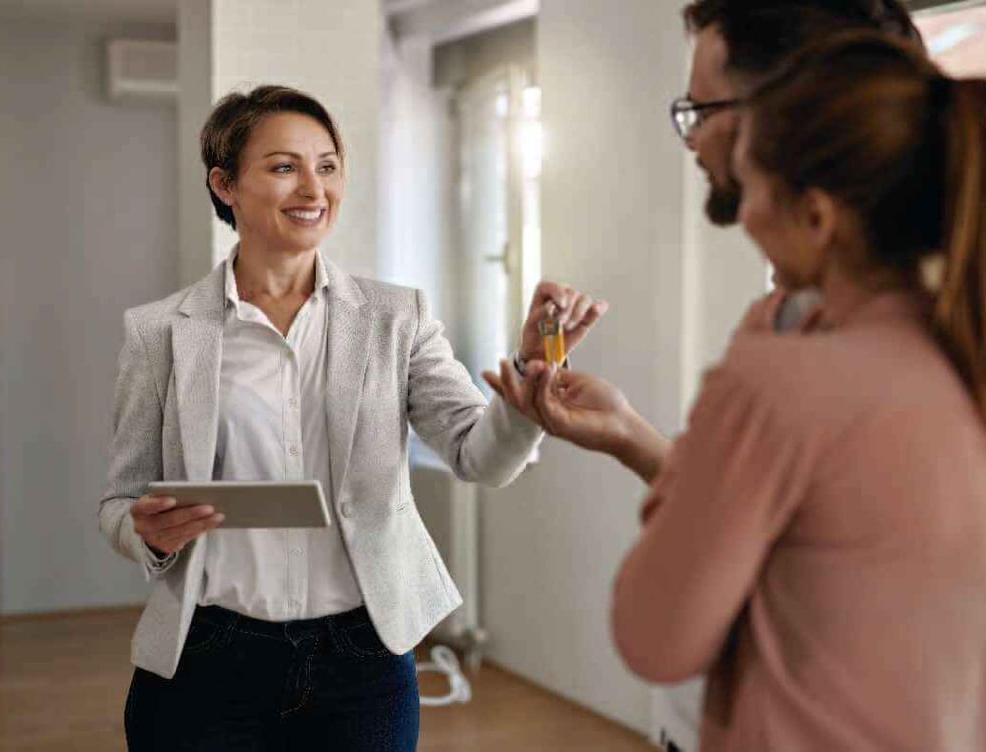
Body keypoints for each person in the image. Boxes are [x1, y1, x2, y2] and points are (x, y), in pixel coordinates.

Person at [501, 32, 986, 750]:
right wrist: (628, 433)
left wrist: (738, 388)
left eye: (752, 175)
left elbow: (653, 638)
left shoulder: (777, 376)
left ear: (817, 214)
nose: (740, 211)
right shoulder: (982, 350)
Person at [98, 85, 607, 751]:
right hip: (208, 654)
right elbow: (121, 501)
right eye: (284, 167)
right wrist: (145, 531)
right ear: (224, 185)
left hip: (361, 660)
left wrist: (530, 383)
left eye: (328, 165)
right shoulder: (161, 332)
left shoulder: (399, 318)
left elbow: (479, 458)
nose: (314, 188)